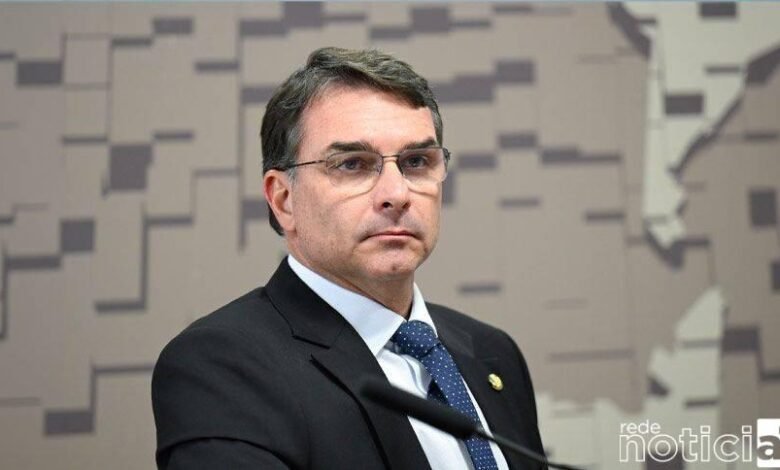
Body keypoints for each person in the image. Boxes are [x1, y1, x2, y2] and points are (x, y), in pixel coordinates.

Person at [152, 47, 545, 470]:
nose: (397, 194)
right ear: (283, 199)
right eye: (353, 164)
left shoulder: (491, 351)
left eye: (416, 162)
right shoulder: (221, 365)